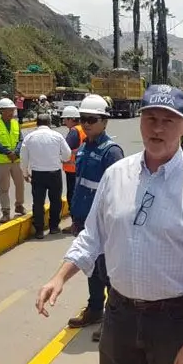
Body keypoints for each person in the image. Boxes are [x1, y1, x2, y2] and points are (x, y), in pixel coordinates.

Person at [35, 85, 183, 364]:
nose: (157, 128)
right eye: (150, 118)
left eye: (168, 120)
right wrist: (60, 276)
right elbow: (93, 236)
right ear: (139, 122)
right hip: (120, 316)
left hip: (173, 322)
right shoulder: (116, 176)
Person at [65, 94, 125, 340]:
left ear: (105, 121)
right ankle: (94, 309)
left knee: (108, 272)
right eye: (83, 119)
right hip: (84, 220)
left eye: (92, 119)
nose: (86, 123)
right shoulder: (84, 148)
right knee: (91, 270)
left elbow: (118, 192)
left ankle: (113, 319)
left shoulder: (111, 151)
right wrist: (76, 218)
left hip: (103, 224)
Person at [20, 115, 71, 239]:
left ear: (37, 123)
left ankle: (39, 230)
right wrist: (62, 159)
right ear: (49, 123)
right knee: (55, 201)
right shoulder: (57, 136)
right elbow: (67, 154)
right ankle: (54, 227)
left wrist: (25, 173)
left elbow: (23, 158)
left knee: (38, 202)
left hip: (37, 174)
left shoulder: (29, 137)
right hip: (54, 173)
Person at [0, 97, 26, 223]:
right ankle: (6, 211)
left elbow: (21, 139)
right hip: (2, 161)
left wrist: (16, 152)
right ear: (1, 111)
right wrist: (7, 152)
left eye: (13, 110)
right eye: (9, 110)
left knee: (20, 184)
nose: (11, 113)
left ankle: (19, 205)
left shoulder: (15, 123)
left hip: (16, 160)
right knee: (4, 187)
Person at [60, 105, 86, 233]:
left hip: (72, 169)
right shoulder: (83, 129)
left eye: (65, 119)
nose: (64, 122)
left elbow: (65, 149)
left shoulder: (74, 131)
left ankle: (75, 224)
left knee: (72, 197)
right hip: (81, 167)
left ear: (71, 119)